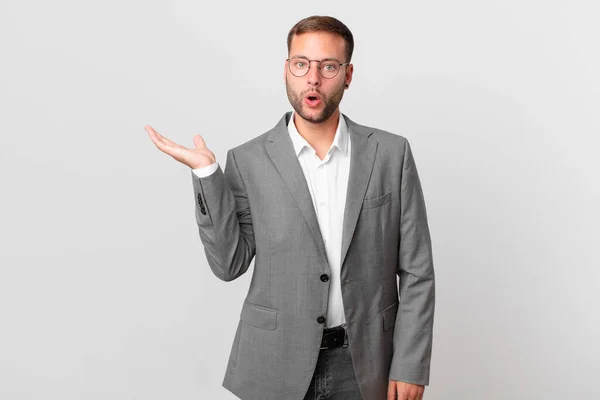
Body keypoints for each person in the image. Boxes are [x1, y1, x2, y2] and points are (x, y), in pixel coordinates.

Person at [146, 15, 435, 400]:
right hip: (272, 365)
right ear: (287, 70)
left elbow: (417, 271)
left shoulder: (391, 154)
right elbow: (228, 264)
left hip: (365, 366)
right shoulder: (247, 160)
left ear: (348, 75)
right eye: (301, 64)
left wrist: (410, 364)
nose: (313, 78)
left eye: (328, 66)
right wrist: (207, 174)